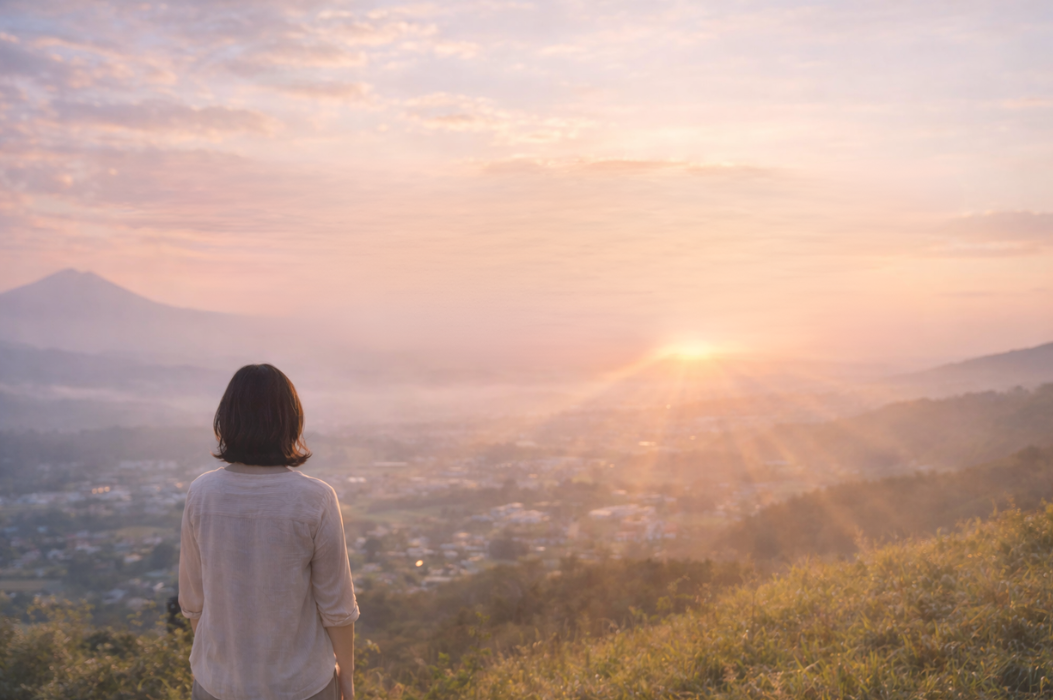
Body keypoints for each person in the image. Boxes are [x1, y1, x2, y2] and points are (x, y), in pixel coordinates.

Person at [179, 364, 359, 700]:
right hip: (302, 687)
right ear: (291, 421)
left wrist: (226, 666)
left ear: (227, 420)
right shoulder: (315, 498)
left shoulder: (201, 493)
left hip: (216, 685)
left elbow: (193, 602)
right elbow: (337, 606)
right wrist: (345, 675)